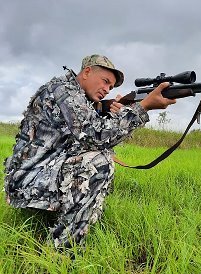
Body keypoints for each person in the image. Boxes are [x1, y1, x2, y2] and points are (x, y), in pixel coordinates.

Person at [4, 54, 176, 249]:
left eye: (111, 87)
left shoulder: (82, 101)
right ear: (86, 72)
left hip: (42, 173)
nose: (107, 89)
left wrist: (114, 114)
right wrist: (142, 107)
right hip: (27, 180)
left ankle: (80, 220)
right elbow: (96, 135)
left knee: (99, 156)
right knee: (99, 161)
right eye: (105, 81)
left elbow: (89, 138)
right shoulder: (63, 90)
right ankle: (64, 250)